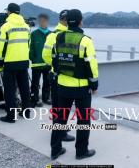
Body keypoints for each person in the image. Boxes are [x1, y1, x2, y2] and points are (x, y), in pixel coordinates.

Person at [50, 9, 99, 160]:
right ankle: (81, 151)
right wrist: (94, 84)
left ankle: (55, 150)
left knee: (60, 118)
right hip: (81, 88)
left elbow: (54, 59)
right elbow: (91, 65)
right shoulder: (85, 40)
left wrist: (56, 77)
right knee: (83, 119)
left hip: (62, 86)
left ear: (67, 22)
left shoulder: (58, 37)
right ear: (80, 21)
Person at [42, 10, 75, 142]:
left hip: (56, 74)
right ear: (64, 20)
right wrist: (62, 66)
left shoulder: (52, 35)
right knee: (61, 106)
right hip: (62, 76)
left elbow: (46, 56)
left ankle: (59, 130)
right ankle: (59, 134)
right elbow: (45, 56)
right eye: (67, 19)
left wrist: (56, 65)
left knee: (58, 105)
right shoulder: (66, 35)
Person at [0, 3, 31, 123]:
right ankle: (26, 112)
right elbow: (28, 44)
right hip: (24, 61)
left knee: (10, 90)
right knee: (24, 88)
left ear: (9, 12)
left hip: (10, 62)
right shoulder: (27, 26)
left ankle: (11, 116)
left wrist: (0, 59)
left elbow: (1, 45)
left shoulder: (6, 26)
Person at [29, 13, 51, 107]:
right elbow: (31, 48)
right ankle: (35, 99)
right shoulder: (34, 34)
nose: (43, 23)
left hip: (47, 64)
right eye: (41, 21)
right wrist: (33, 59)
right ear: (39, 22)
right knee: (35, 83)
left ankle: (46, 98)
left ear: (47, 22)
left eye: (44, 21)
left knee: (47, 82)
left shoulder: (51, 34)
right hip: (36, 64)